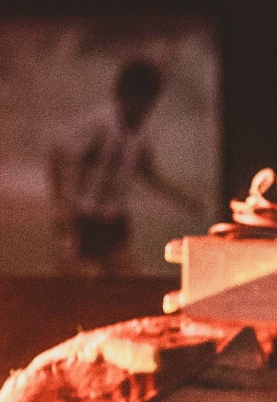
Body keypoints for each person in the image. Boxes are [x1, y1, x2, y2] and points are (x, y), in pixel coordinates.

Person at [49, 58, 204, 274]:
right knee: (74, 280)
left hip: (114, 219)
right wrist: (63, 206)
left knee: (128, 278)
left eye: (147, 102)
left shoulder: (141, 132)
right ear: (123, 95)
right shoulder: (100, 124)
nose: (142, 108)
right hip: (84, 217)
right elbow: (59, 154)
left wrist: (183, 199)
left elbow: (149, 173)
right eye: (138, 100)